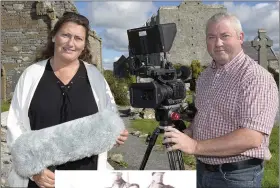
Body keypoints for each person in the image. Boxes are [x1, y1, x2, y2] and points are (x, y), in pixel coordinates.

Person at [6, 12, 128, 188]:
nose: (71, 43)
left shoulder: (95, 77)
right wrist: (33, 170)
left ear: (84, 44)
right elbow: (15, 124)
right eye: (65, 35)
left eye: (78, 38)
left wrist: (116, 134)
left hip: (86, 179)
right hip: (42, 180)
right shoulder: (32, 75)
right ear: (54, 36)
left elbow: (110, 118)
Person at [163, 12, 279, 188]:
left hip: (237, 177)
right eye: (212, 37)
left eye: (225, 36)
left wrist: (194, 146)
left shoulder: (256, 77)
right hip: (203, 171)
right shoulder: (205, 76)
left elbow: (251, 137)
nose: (218, 43)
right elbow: (204, 116)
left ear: (240, 37)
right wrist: (189, 133)